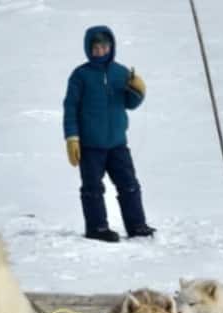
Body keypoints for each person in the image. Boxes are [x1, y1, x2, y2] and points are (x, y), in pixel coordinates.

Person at [63, 25, 156, 242]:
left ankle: (137, 225)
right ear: (88, 48)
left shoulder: (121, 72)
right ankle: (97, 228)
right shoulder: (80, 76)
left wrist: (138, 91)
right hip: (90, 146)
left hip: (117, 144)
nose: (100, 51)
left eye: (104, 47)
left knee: (129, 185)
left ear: (111, 47)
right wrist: (72, 137)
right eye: (95, 48)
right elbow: (70, 109)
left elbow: (130, 103)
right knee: (92, 188)